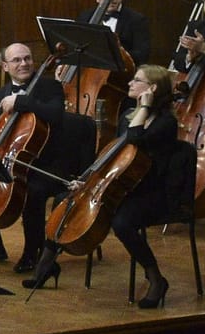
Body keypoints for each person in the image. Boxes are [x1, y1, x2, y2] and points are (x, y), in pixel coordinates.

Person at [24, 65, 187, 309]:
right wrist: (87, 180)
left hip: (153, 192)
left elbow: (134, 139)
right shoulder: (128, 115)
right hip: (123, 186)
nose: (130, 83)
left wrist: (144, 107)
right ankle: (45, 266)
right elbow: (114, 158)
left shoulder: (166, 123)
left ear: (152, 88)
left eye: (137, 80)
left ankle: (155, 278)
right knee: (63, 200)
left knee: (122, 223)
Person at [0, 42, 68, 271]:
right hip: (11, 158)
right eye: (16, 60)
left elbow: (56, 114)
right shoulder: (0, 95)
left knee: (31, 192)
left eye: (27, 58)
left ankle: (32, 253)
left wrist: (21, 102)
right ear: (5, 66)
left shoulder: (50, 87)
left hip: (44, 164)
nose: (24, 63)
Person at [81, 0, 151, 66]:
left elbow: (142, 55)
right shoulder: (85, 17)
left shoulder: (137, 20)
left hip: (123, 72)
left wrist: (118, 56)